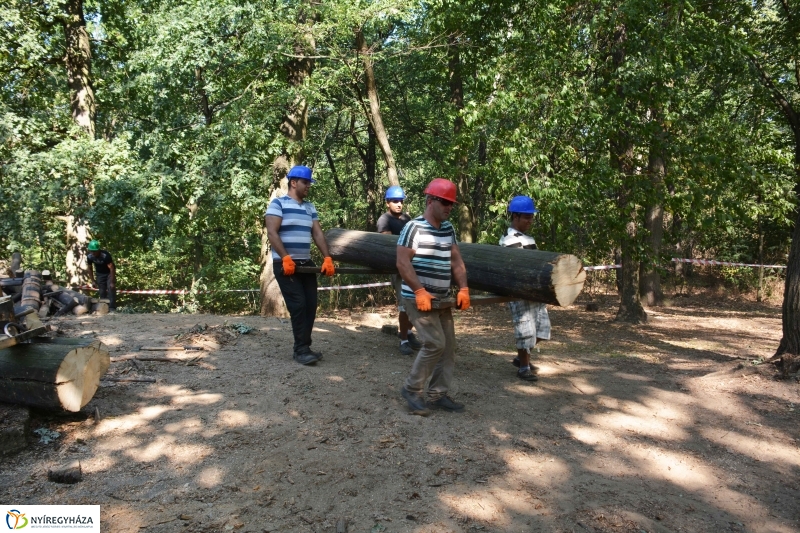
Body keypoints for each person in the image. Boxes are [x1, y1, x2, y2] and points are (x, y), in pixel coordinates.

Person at [396, 178, 470, 416]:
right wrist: (419, 290)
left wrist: (463, 288)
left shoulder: (448, 229)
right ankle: (411, 389)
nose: (449, 207)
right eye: (445, 202)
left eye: (451, 203)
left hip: (441, 298)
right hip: (417, 297)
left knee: (448, 347)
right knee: (434, 343)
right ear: (430, 201)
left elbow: (456, 261)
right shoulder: (413, 227)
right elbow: (402, 262)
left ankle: (437, 395)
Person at [266, 165, 336, 366]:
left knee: (311, 305)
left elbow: (317, 234)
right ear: (294, 182)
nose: (308, 186)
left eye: (309, 183)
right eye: (305, 182)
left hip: (306, 263)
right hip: (285, 264)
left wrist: (327, 258)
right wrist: (285, 258)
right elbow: (272, 233)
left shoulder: (309, 207)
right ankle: (300, 350)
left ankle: (305, 345)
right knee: (298, 305)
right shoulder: (278, 204)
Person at [500, 195, 551, 381]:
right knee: (525, 331)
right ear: (515, 217)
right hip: (520, 293)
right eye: (527, 217)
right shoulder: (509, 240)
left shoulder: (529, 239)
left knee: (542, 331)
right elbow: (519, 268)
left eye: (531, 217)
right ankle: (523, 367)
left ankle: (522, 357)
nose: (530, 221)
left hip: (534, 293)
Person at [377, 185, 422, 356]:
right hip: (398, 267)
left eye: (401, 201)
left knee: (412, 301)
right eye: (395, 201)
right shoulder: (384, 220)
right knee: (404, 303)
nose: (398, 204)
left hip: (412, 266)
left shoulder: (407, 218)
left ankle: (409, 333)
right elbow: (388, 244)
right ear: (387, 202)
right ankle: (403, 340)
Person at [86, 240, 116, 310]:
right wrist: (93, 281)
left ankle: (112, 308)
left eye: (94, 251)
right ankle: (103, 307)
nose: (93, 253)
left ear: (98, 250)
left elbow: (112, 268)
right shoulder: (90, 256)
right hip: (100, 274)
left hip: (109, 273)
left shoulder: (106, 255)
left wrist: (112, 281)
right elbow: (90, 268)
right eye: (91, 251)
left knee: (111, 289)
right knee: (102, 291)